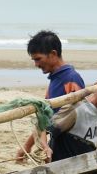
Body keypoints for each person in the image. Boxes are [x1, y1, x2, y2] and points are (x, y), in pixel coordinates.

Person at [15, 30, 86, 162]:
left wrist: (45, 145)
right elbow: (46, 118)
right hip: (56, 145)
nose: (36, 64)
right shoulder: (55, 80)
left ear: (53, 54)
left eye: (38, 59)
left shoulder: (71, 80)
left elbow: (81, 119)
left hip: (70, 150)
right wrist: (27, 146)